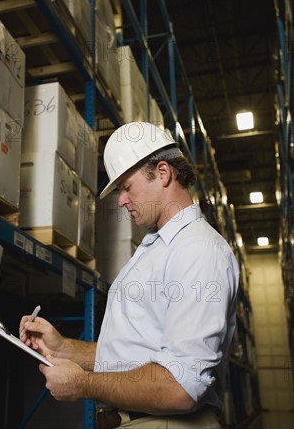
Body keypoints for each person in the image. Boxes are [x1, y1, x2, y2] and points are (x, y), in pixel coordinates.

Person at [20, 122, 239, 428]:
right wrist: (64, 348)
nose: (121, 200)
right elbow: (133, 354)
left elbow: (179, 386)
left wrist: (83, 383)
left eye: (126, 186)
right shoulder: (155, 247)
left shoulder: (198, 250)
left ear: (163, 173)